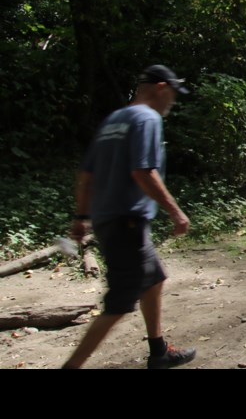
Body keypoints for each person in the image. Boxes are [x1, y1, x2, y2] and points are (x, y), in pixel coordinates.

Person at [63, 65, 196, 369]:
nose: (172, 103)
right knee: (120, 302)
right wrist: (176, 212)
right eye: (173, 95)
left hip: (110, 221)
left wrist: (81, 216)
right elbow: (143, 172)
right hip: (127, 223)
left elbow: (86, 176)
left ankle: (159, 351)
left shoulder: (114, 119)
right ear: (161, 87)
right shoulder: (147, 118)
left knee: (155, 279)